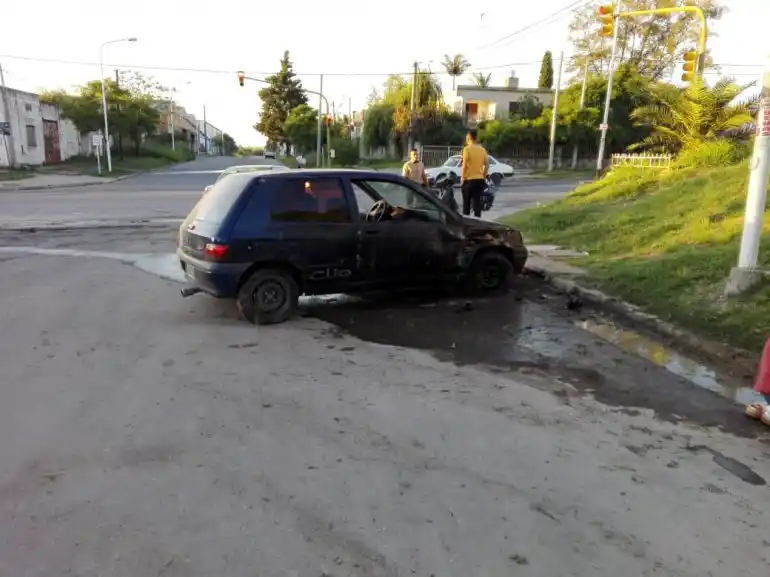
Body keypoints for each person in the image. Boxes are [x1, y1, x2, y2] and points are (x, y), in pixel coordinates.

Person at [460, 130, 489, 218]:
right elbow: (487, 165)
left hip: (469, 180)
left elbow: (464, 165)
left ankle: (466, 224)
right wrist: (483, 176)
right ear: (476, 138)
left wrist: (462, 177)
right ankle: (477, 223)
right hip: (479, 180)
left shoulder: (467, 149)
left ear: (468, 137)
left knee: (466, 204)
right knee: (477, 203)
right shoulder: (482, 150)